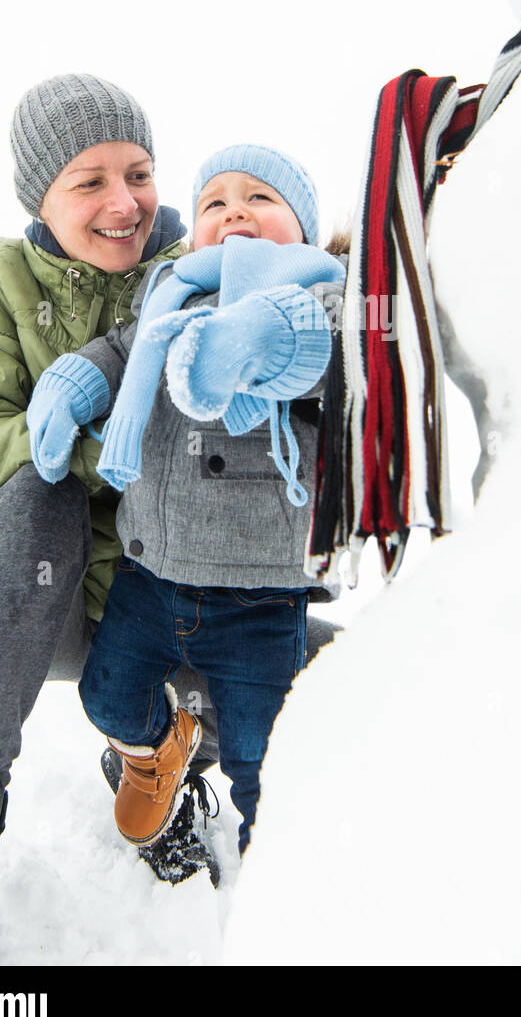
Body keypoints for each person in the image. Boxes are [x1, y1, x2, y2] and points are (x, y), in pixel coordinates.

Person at [0, 75, 339, 967]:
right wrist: (121, 448)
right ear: (40, 199)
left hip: (205, 581)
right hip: (48, 605)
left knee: (330, 674)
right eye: (87, 182)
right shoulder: (3, 282)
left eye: (137, 173)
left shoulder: (207, 267)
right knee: (30, 488)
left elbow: (328, 385)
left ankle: (169, 775)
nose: (123, 202)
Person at [27, 144, 346, 855]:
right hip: (151, 575)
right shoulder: (169, 290)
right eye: (213, 201)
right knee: (106, 698)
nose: (234, 209)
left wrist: (259, 337)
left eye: (259, 197)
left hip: (262, 598)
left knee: (258, 756)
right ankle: (155, 754)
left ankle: (286, 867)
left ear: (302, 228)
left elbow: (330, 359)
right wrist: (73, 381)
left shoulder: (325, 295)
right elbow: (121, 350)